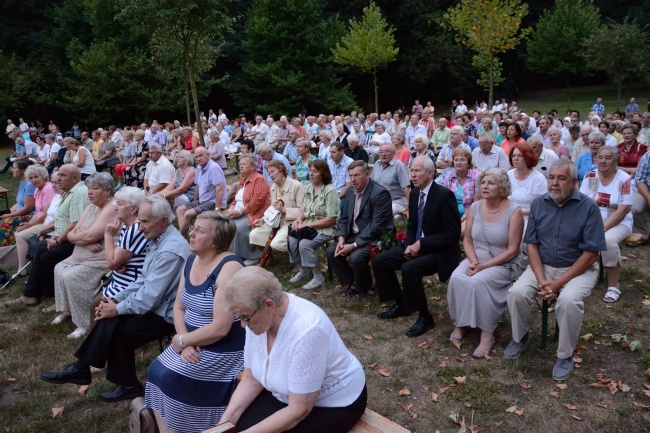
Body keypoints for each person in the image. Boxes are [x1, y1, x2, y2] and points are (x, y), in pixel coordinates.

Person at [41, 195, 191, 403]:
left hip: (167, 313)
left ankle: (119, 382)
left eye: (146, 221)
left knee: (119, 332)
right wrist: (116, 301)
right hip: (156, 305)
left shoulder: (169, 250)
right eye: (140, 220)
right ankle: (85, 370)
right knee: (110, 317)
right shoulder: (159, 239)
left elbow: (150, 297)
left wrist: (118, 308)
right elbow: (142, 281)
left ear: (164, 221)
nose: (140, 227)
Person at [220, 267, 367, 433]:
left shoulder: (308, 330)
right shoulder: (257, 317)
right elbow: (251, 379)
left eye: (245, 318)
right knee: (241, 426)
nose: (243, 325)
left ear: (269, 305)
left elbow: (299, 410)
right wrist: (224, 425)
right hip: (285, 395)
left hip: (332, 404)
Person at [506, 160, 606, 381]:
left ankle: (565, 355)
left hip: (578, 269)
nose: (554, 183)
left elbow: (591, 254)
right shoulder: (540, 204)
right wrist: (543, 280)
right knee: (516, 293)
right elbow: (531, 244)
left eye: (561, 178)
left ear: (573, 182)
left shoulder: (589, 208)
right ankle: (520, 337)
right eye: (551, 177)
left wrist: (558, 285)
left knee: (569, 300)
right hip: (544, 266)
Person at [146, 212, 245, 433]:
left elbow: (220, 328)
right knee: (155, 370)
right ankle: (168, 428)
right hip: (191, 340)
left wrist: (182, 340)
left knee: (174, 378)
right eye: (193, 228)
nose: (190, 233)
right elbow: (179, 307)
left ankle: (195, 426)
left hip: (223, 346)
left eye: (199, 230)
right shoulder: (192, 259)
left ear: (216, 241)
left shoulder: (230, 267)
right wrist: (184, 342)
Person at [373, 156, 461, 337]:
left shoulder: (444, 195)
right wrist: (409, 244)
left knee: (409, 268)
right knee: (381, 260)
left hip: (440, 251)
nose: (412, 175)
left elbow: (452, 234)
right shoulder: (414, 194)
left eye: (417, 171)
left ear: (430, 173)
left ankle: (424, 317)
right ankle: (402, 304)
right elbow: (412, 225)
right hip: (417, 246)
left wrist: (422, 244)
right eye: (411, 170)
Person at [447, 168, 524, 358]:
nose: (485, 186)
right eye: (483, 183)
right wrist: (473, 261)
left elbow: (513, 250)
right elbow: (467, 240)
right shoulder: (475, 207)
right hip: (476, 257)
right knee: (456, 277)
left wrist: (483, 267)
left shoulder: (514, 211)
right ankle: (462, 323)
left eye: (491, 183)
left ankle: (487, 333)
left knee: (477, 282)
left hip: (502, 262)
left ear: (502, 187)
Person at [7, 165, 89, 306]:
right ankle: (33, 295)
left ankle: (46, 296)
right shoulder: (69, 192)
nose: (58, 179)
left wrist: (57, 241)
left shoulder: (79, 193)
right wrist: (51, 237)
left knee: (45, 255)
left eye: (63, 176)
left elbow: (75, 223)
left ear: (74, 178)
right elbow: (61, 220)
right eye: (58, 176)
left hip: (73, 239)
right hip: (62, 236)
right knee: (42, 251)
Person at [52, 173, 116, 339]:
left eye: (95, 188)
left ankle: (83, 323)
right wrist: (84, 241)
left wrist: (81, 238)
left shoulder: (111, 208)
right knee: (59, 268)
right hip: (83, 252)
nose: (90, 192)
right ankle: (68, 310)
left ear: (108, 191)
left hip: (100, 257)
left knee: (71, 277)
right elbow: (75, 232)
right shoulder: (92, 206)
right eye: (88, 188)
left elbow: (88, 235)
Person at [327, 161, 393, 300]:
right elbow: (344, 218)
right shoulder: (350, 191)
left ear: (367, 174)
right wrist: (341, 238)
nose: (353, 179)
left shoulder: (380, 193)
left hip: (376, 236)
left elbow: (376, 226)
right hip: (354, 234)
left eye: (357, 175)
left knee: (356, 257)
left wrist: (354, 245)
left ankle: (365, 286)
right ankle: (355, 282)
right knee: (332, 251)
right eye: (350, 176)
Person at [579, 147, 633, 303]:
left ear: (616, 161)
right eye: (600, 157)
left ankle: (613, 284)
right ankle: (578, 275)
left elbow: (623, 209)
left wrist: (602, 228)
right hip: (592, 220)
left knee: (607, 240)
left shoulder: (624, 179)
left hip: (619, 221)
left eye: (607, 158)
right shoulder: (590, 176)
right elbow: (582, 203)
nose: (602, 161)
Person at [288, 159, 339, 290]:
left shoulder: (329, 191)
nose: (310, 174)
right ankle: (303, 271)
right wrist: (299, 220)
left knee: (304, 245)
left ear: (323, 173)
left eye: (315, 171)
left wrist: (307, 225)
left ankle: (318, 277)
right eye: (310, 170)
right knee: (292, 240)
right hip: (309, 226)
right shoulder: (309, 188)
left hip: (325, 228)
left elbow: (331, 219)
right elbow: (303, 209)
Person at [250, 160, 305, 254]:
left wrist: (284, 210)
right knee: (254, 235)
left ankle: (298, 257)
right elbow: (273, 208)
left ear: (282, 170)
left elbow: (304, 210)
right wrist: (263, 219)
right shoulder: (273, 187)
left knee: (277, 244)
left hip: (291, 222)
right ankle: (269, 258)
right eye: (269, 173)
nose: (270, 175)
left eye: (273, 171)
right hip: (276, 221)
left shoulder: (297, 186)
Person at [226, 154, 271, 266]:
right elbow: (235, 199)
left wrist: (239, 212)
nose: (241, 166)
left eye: (244, 164)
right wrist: (231, 208)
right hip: (239, 212)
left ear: (252, 166)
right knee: (224, 225)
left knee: (239, 228)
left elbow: (257, 202)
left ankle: (251, 256)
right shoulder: (243, 181)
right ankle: (231, 254)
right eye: (240, 164)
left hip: (254, 213)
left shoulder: (259, 179)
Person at [176, 147, 227, 236]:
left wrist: (217, 209)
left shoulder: (213, 167)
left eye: (201, 156)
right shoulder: (199, 167)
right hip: (202, 201)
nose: (198, 159)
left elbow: (219, 189)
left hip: (213, 202)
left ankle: (181, 236)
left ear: (208, 155)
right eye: (196, 157)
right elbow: (197, 186)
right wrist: (195, 201)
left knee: (188, 214)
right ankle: (186, 236)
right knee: (180, 210)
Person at [442, 148, 481, 238]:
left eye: (462, 160)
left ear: (469, 163)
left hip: (470, 214)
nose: (458, 163)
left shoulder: (477, 176)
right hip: (452, 213)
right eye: (456, 160)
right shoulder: (449, 175)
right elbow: (445, 199)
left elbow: (476, 204)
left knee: (460, 231)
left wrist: (461, 219)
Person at [0, 160, 36, 246]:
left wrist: (9, 215)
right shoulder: (22, 182)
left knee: (2, 224)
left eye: (14, 168)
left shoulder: (29, 185)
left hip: (29, 216)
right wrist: (7, 212)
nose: (12, 170)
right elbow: (18, 204)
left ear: (22, 171)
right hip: (20, 213)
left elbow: (28, 208)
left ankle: (5, 250)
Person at [507, 143, 547, 219]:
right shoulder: (508, 175)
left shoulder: (538, 178)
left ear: (528, 157)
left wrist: (517, 213)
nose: (515, 158)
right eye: (513, 155)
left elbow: (538, 207)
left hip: (529, 218)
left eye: (519, 156)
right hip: (507, 216)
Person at [370, 143, 410, 214]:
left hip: (396, 201)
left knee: (383, 212)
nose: (384, 154)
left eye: (387, 151)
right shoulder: (377, 164)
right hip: (379, 200)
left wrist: (411, 208)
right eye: (381, 152)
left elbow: (407, 188)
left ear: (394, 153)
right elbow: (371, 184)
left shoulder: (399, 165)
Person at [631, 151, 650, 246]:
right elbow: (639, 180)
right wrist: (648, 197)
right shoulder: (647, 156)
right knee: (631, 205)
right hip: (647, 191)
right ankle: (641, 235)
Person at [327, 142, 353, 211]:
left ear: (341, 152)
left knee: (335, 209)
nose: (331, 155)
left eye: (333, 152)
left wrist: (336, 198)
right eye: (330, 152)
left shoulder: (349, 163)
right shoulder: (330, 163)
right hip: (331, 193)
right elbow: (327, 182)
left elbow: (349, 186)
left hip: (344, 195)